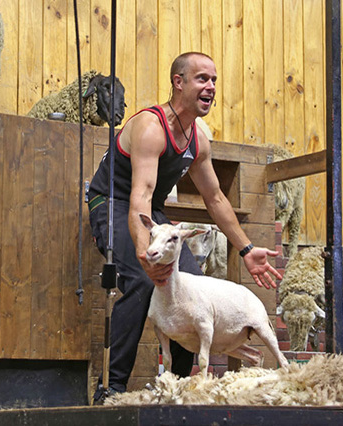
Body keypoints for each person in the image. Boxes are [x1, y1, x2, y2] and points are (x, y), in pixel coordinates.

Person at [87, 52, 282, 402]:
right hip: (112, 203)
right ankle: (111, 388)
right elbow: (140, 199)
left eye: (214, 81)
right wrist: (147, 256)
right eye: (202, 79)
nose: (210, 88)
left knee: (188, 286)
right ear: (179, 82)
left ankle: (175, 388)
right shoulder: (150, 128)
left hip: (151, 209)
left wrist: (247, 249)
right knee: (141, 279)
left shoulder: (197, 139)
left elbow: (216, 198)